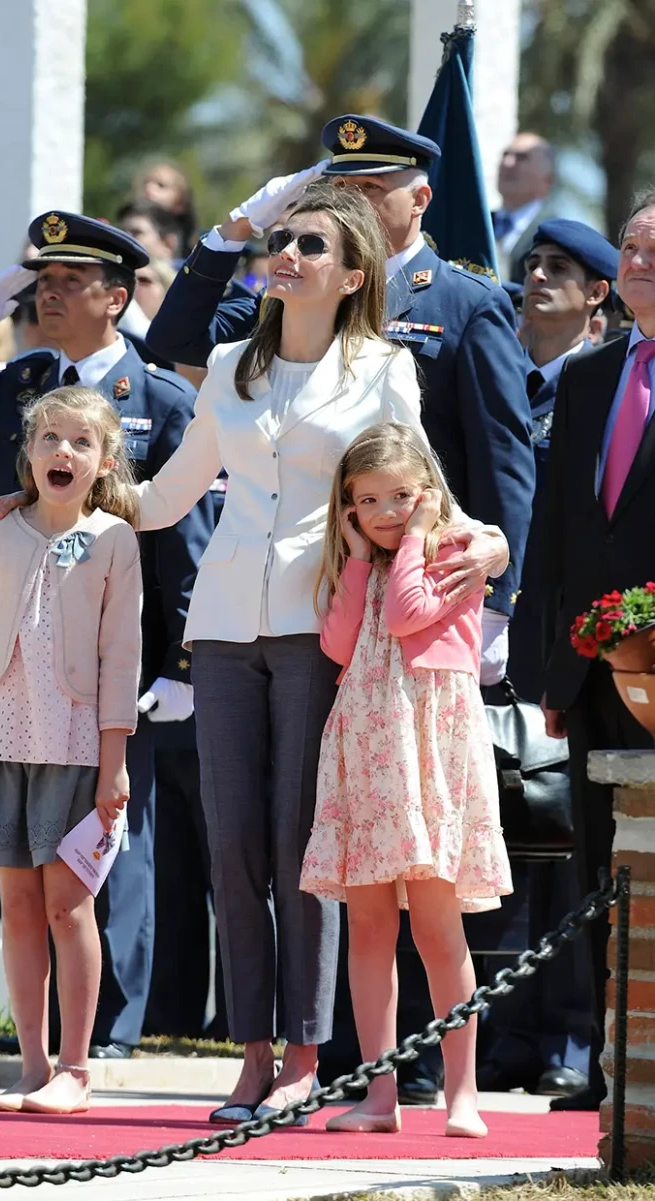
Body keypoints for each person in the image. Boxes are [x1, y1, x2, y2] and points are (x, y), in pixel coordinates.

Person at [147, 115, 533, 1103]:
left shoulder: (384, 370)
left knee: (302, 843)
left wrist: (487, 546)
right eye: (280, 241)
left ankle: (311, 1055)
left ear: (351, 271)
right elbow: (165, 495)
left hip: (328, 627)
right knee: (234, 848)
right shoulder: (233, 368)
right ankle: (251, 1051)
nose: (285, 254)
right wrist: (43, 500)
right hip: (226, 623)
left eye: (307, 242)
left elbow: (427, 490)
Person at [0, 212, 215, 1059]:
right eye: (41, 281)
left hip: (111, 664)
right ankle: (43, 1039)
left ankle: (111, 1032)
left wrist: (178, 666)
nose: (47, 294)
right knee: (29, 862)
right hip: (15, 665)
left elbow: (185, 548)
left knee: (108, 844)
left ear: (117, 295)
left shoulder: (162, 399)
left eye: (69, 282)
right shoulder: (19, 379)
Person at [301, 422, 512, 1136]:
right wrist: (358, 559)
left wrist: (420, 533)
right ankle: (378, 1094)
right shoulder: (358, 558)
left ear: (427, 492)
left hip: (428, 749)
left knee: (436, 928)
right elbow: (337, 642)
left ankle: (463, 1092)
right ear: (348, 508)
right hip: (365, 749)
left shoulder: (456, 548)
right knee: (365, 928)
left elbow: (407, 616)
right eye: (368, 500)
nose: (387, 512)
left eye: (401, 496)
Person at [0, 385, 142, 1115]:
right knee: (18, 905)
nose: (63, 450)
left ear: (106, 462)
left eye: (81, 442)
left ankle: (76, 1066)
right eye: (49, 438)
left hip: (76, 746)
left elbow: (123, 657)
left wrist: (113, 762)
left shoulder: (116, 542)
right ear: (25, 454)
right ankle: (31, 1063)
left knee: (68, 905)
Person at [479, 219, 618, 1101]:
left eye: (559, 268)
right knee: (500, 836)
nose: (535, 277)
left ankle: (573, 1032)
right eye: (529, 263)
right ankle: (507, 1029)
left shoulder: (602, 386)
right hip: (498, 637)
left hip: (580, 642)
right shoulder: (500, 378)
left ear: (599, 292)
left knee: (573, 842)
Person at [542, 190, 655, 1111]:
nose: (640, 260)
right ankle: (610, 1064)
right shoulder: (587, 376)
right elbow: (555, 529)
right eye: (631, 246)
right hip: (588, 664)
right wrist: (550, 667)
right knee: (598, 864)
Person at [492, 133, 556, 283]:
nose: (507, 163)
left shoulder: (554, 234)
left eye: (522, 157)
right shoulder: (477, 223)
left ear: (547, 179)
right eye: (505, 155)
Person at [133, 159, 197, 257]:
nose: (149, 188)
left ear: (180, 203)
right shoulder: (129, 222)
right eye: (146, 183)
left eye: (161, 185)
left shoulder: (192, 247)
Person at [116, 201, 182, 265]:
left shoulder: (190, 274)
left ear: (168, 244)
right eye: (123, 232)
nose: (125, 238)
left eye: (137, 232)